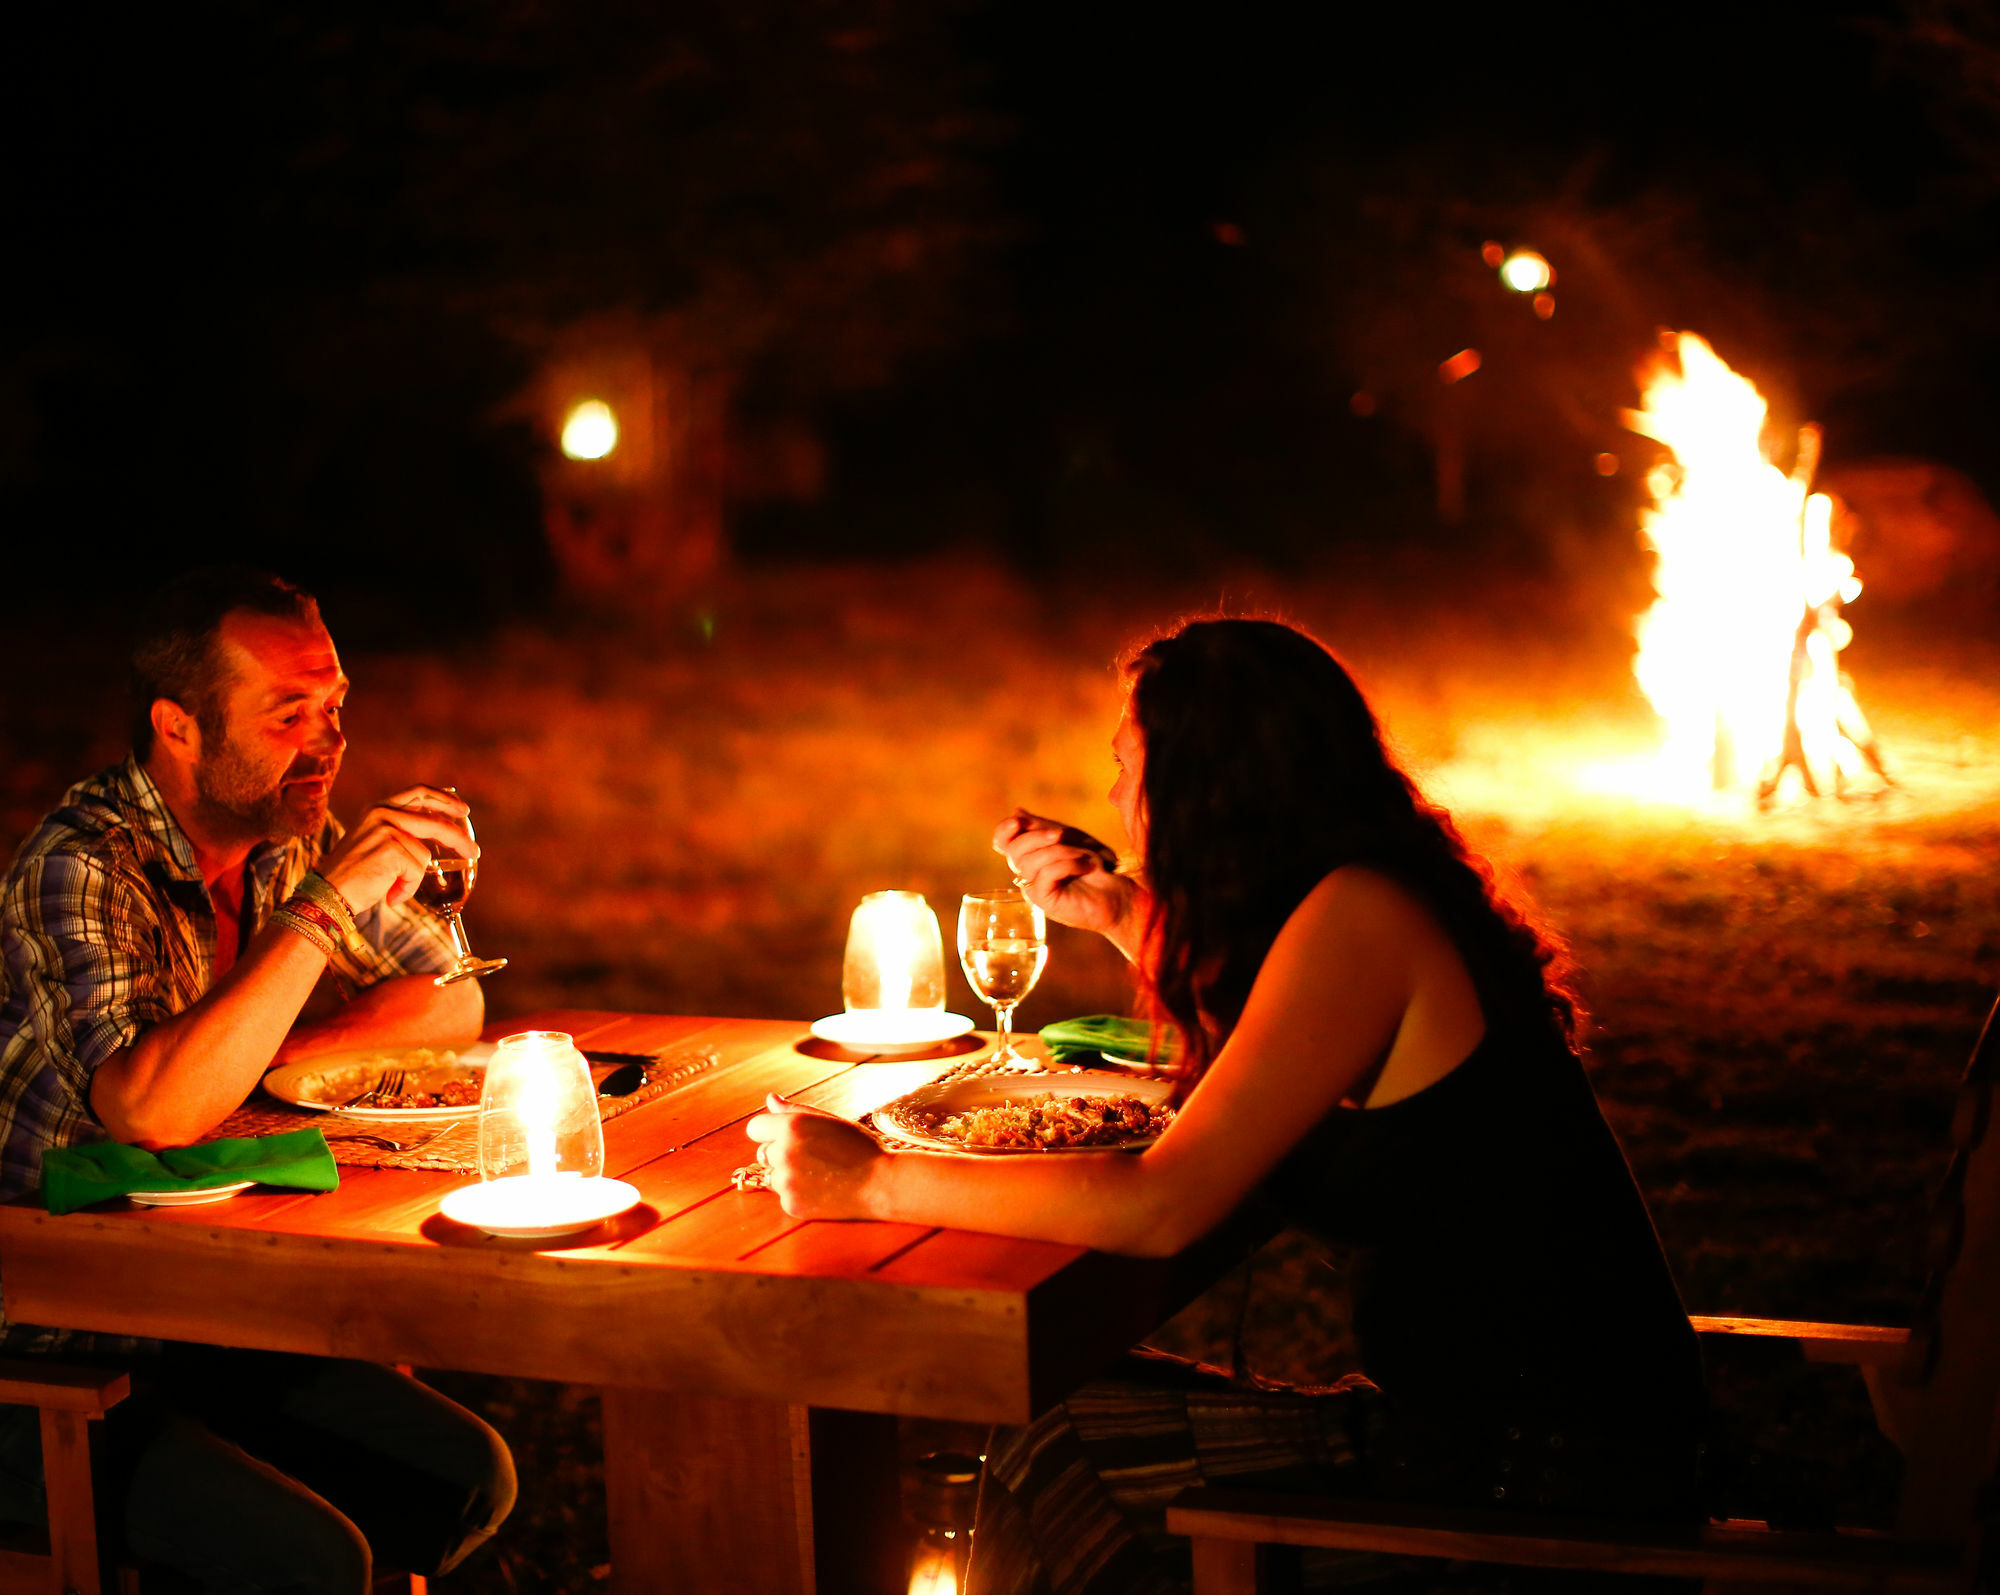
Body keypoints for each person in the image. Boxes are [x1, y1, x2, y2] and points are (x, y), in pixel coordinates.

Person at [749, 616, 1706, 1593]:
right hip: (1514, 1435)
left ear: (1206, 783)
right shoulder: (1369, 897)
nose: (1117, 794)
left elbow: (1160, 1205)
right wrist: (1124, 913)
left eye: (1129, 765)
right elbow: (1272, 1039)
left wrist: (867, 1180)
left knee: (1055, 1456)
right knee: (1051, 1418)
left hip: (1530, 1488)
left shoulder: (1360, 918)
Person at [0, 567, 515, 1594]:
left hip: (210, 1308)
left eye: (334, 706)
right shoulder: (85, 863)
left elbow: (451, 997)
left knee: (471, 1477)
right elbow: (147, 1107)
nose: (328, 742)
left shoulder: (283, 839)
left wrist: (261, 1049)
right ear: (178, 727)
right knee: (311, 1557)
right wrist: (323, 912)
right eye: (290, 713)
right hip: (48, 1346)